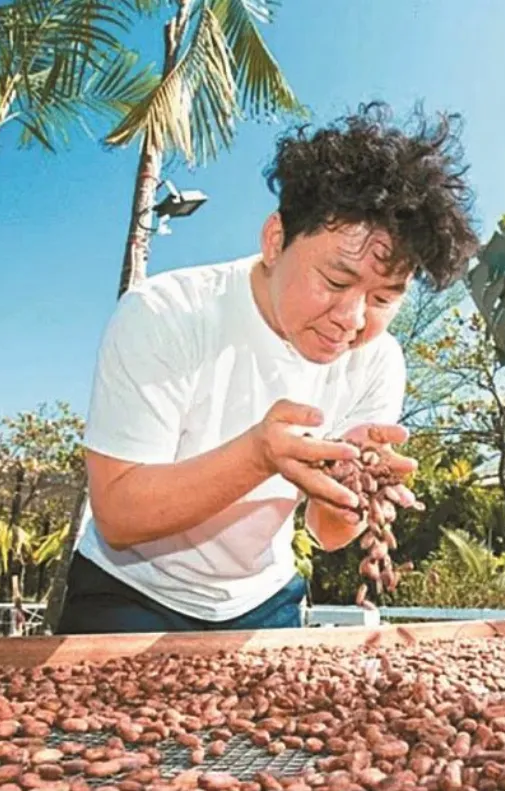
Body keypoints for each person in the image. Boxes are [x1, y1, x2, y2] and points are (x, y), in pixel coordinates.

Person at [55, 102, 479, 635]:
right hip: (130, 591)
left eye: (384, 297)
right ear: (275, 240)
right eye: (336, 281)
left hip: (263, 600)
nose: (351, 320)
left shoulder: (379, 360)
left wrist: (353, 488)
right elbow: (118, 514)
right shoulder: (167, 313)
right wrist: (260, 455)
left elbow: (327, 535)